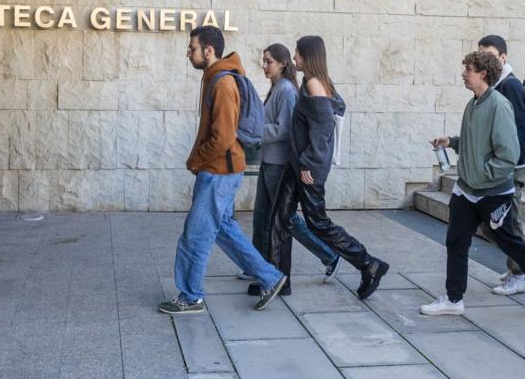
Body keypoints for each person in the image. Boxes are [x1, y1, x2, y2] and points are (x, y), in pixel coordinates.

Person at [160, 25, 287, 315]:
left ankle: (191, 296)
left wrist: (197, 160)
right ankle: (270, 277)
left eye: (192, 48)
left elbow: (223, 137)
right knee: (223, 229)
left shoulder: (223, 83)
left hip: (219, 171)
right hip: (220, 169)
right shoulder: (213, 78)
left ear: (208, 50)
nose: (188, 53)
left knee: (195, 235)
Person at [425, 51, 525, 316]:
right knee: (456, 242)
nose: (464, 73)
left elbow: (508, 154)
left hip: (493, 192)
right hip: (467, 190)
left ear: (483, 74)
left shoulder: (499, 105)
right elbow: (475, 141)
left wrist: (482, 175)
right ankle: (453, 300)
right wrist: (451, 142)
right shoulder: (473, 103)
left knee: (510, 242)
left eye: (468, 69)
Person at [265, 36, 388, 309]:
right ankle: (276, 280)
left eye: (297, 54)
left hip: (307, 168)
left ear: (308, 56)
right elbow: (338, 107)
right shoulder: (320, 82)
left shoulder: (314, 84)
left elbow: (322, 129)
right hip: (296, 165)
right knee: (279, 219)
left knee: (318, 223)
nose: (294, 59)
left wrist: (309, 163)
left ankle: (369, 264)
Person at [246, 44, 340, 298]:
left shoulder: (287, 90)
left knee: (285, 220)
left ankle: (329, 255)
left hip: (280, 163)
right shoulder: (276, 88)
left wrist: (255, 134)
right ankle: (257, 265)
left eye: (268, 62)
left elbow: (284, 129)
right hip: (269, 161)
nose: (264, 66)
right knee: (262, 217)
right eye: (263, 61)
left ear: (283, 63)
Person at [475, 36, 525, 297]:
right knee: (492, 223)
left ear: (503, 57)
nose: (483, 60)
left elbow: (518, 134)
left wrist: (503, 168)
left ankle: (522, 273)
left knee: (507, 222)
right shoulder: (495, 86)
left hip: (510, 169)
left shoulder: (509, 87)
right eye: (480, 55)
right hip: (498, 167)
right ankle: (517, 267)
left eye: (488, 54)